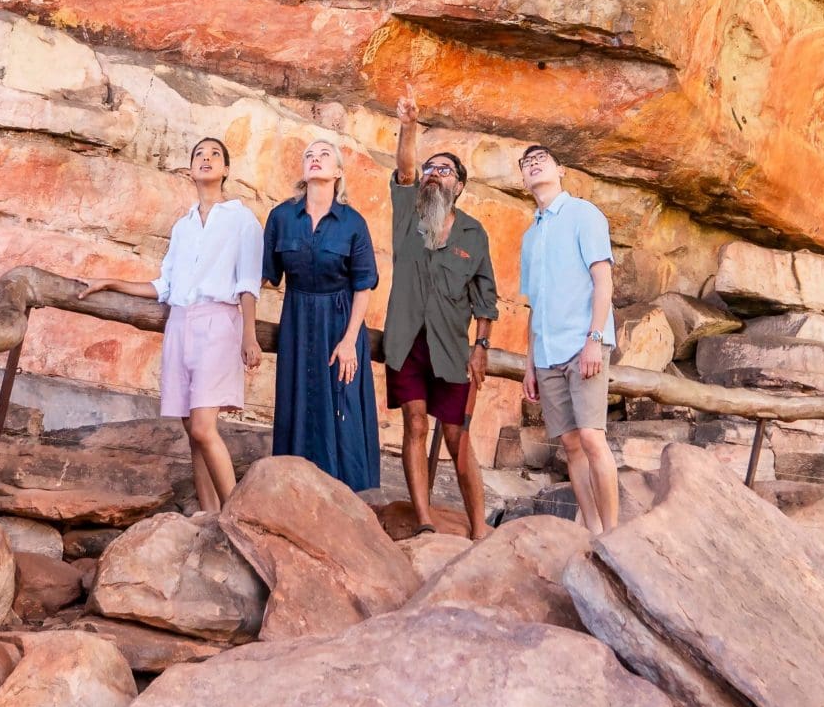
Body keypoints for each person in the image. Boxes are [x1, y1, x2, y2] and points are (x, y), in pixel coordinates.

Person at [119, 137, 262, 511]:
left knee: (203, 426)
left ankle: (235, 515)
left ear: (226, 169)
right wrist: (113, 283)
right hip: (180, 325)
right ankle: (208, 513)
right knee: (191, 431)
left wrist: (249, 334)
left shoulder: (241, 218)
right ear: (190, 168)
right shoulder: (182, 226)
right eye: (199, 154)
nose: (206, 159)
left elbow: (248, 281)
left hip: (218, 323)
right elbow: (165, 285)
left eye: (215, 154)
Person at [384, 94, 499, 538]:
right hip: (407, 342)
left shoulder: (474, 233)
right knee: (414, 423)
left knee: (457, 439)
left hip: (452, 350)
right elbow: (406, 169)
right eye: (430, 169)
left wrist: (482, 346)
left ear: (459, 186)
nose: (433, 175)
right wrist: (409, 127)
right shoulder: (407, 214)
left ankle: (478, 527)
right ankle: (425, 521)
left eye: (443, 170)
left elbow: (485, 295)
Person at [263, 136, 381, 490]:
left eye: (324, 154)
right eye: (309, 155)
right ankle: (293, 492)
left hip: (341, 325)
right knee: (296, 404)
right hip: (297, 323)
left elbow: (364, 285)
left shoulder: (352, 223)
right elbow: (266, 276)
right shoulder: (281, 216)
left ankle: (350, 499)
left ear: (338, 172)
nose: (315, 158)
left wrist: (349, 342)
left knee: (343, 411)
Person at [516, 142, 621, 532]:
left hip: (583, 344)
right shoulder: (530, 236)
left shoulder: (583, 214)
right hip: (547, 353)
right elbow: (534, 306)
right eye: (527, 164)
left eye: (542, 159)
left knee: (593, 437)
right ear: (523, 179)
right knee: (572, 444)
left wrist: (595, 338)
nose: (533, 165)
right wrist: (529, 365)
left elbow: (603, 281)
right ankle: (593, 531)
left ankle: (614, 534)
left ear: (561, 170)